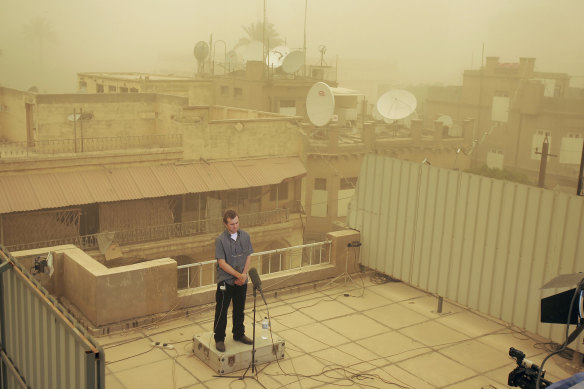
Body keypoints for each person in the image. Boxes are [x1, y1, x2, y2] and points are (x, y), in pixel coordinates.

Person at [213, 209, 254, 352]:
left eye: (236, 223)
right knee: (222, 310)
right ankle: (219, 338)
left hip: (242, 279)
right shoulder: (220, 240)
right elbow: (222, 263)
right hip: (226, 280)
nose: (235, 226)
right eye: (231, 224)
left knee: (239, 308)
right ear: (225, 224)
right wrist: (237, 275)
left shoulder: (246, 236)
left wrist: (243, 275)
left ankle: (239, 333)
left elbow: (248, 255)